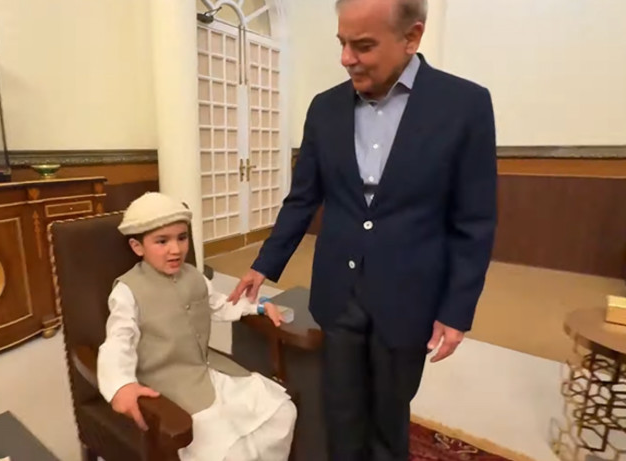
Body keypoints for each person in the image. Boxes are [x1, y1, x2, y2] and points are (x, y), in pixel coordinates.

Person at [228, 0, 497, 459]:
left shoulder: (465, 105)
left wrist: (457, 310)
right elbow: (303, 199)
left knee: (389, 420)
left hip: (409, 297)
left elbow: (474, 221)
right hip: (339, 293)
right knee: (341, 414)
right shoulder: (325, 108)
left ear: (411, 37)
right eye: (342, 43)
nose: (346, 58)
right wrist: (264, 264)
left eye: (363, 45)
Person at [97, 192, 297, 461]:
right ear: (137, 246)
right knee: (227, 448)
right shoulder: (127, 291)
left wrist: (257, 307)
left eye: (181, 238)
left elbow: (218, 305)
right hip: (169, 384)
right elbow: (118, 341)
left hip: (207, 369)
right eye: (162, 241)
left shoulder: (195, 276)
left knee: (281, 411)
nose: (176, 249)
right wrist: (121, 385)